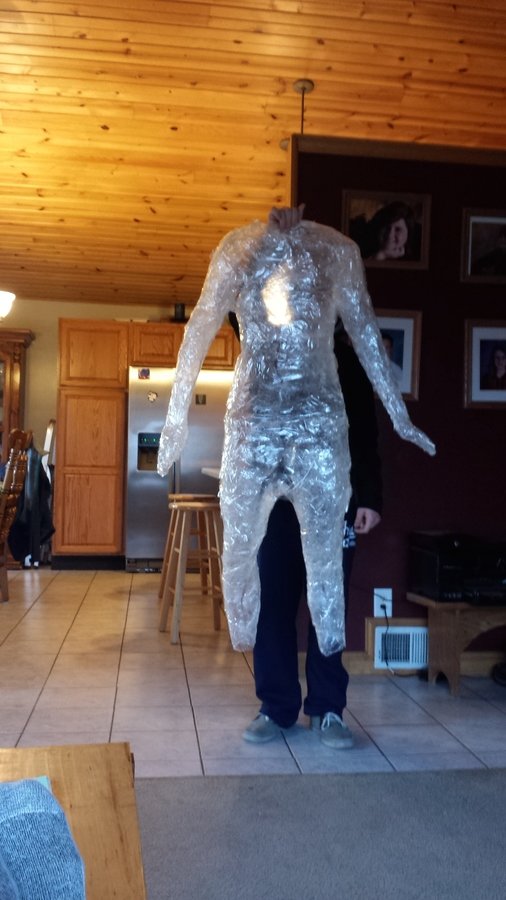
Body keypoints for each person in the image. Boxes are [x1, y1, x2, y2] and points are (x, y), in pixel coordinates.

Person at [157, 204, 434, 664]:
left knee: (327, 574)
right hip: (259, 446)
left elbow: (367, 340)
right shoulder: (241, 268)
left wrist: (386, 457)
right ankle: (271, 687)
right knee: (256, 572)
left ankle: (326, 693)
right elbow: (201, 326)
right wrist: (174, 421)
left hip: (322, 447)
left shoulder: (338, 267)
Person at [240, 310, 382, 748]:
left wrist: (370, 497)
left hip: (335, 503)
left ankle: (327, 709)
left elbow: (365, 431)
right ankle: (276, 707)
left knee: (329, 605)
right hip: (276, 504)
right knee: (273, 606)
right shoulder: (267, 355)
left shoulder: (346, 362)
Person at [350, 201, 417, 262]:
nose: (390, 235)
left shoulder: (414, 259)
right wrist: (382, 254)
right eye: (387, 228)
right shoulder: (360, 247)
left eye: (398, 229)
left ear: (408, 233)